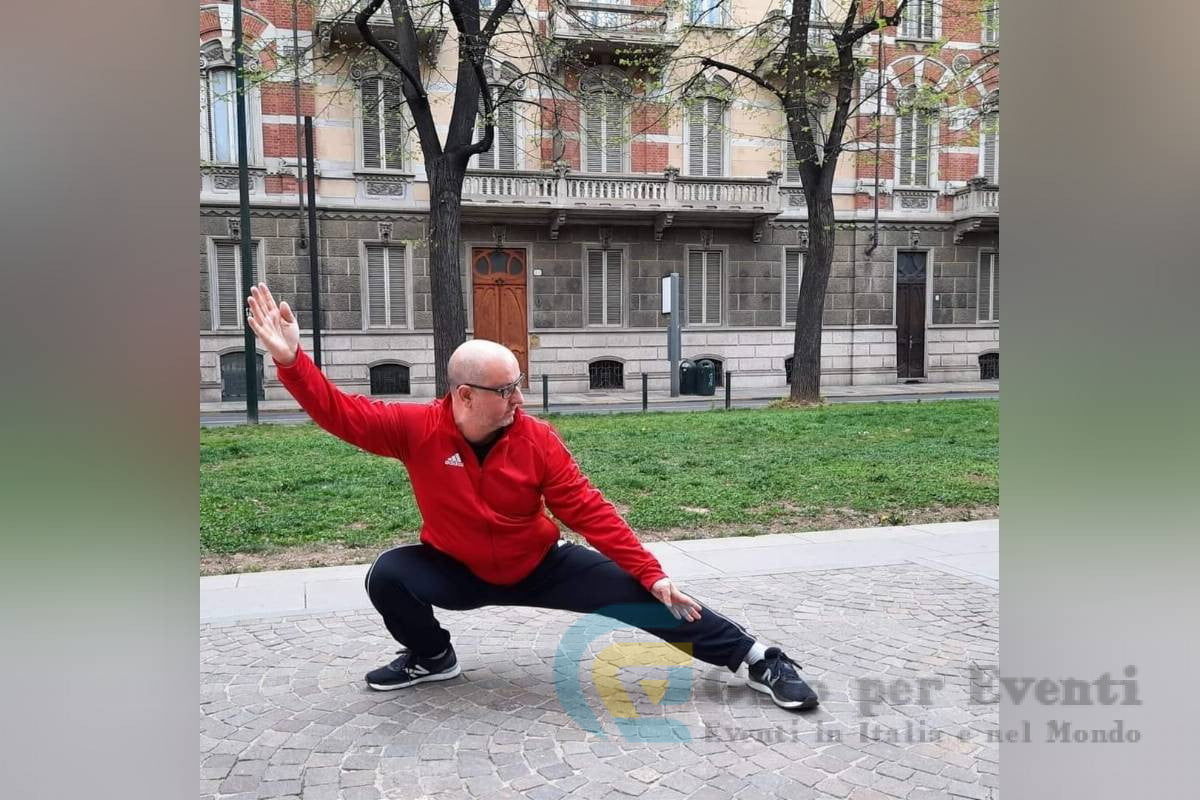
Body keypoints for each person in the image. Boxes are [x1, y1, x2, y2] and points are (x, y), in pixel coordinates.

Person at [246, 282, 819, 711]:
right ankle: (432, 657)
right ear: (465, 395)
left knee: (653, 596)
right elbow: (341, 413)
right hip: (458, 569)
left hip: (542, 565)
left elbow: (585, 508)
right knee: (388, 575)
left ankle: (758, 658)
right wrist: (292, 360)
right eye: (507, 388)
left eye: (519, 383)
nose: (519, 396)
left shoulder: (535, 438)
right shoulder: (416, 429)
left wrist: (650, 572)